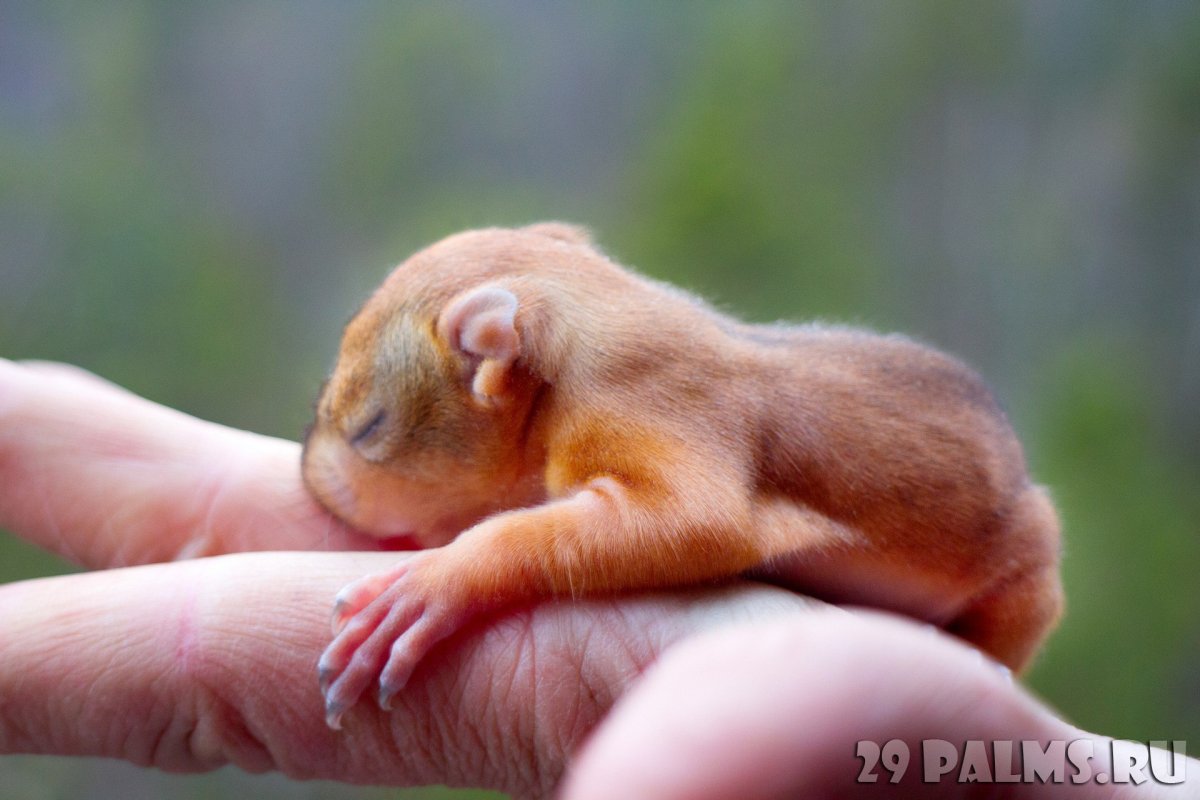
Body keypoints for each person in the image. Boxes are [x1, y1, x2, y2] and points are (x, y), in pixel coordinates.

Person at [0, 359, 1190, 799]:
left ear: (498, 361)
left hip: (979, 569)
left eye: (363, 430)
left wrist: (476, 565)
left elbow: (693, 514)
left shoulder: (641, 406)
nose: (332, 483)